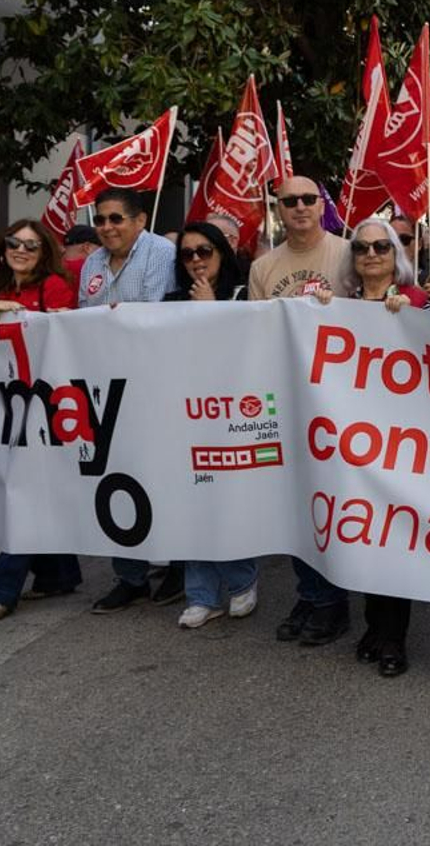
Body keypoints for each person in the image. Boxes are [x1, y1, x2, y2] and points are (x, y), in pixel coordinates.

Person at [315, 218, 430, 675]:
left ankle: (393, 639)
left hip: (401, 443)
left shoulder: (416, 300)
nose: (371, 255)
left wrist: (417, 316)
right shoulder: (340, 305)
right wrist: (318, 311)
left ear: (395, 254)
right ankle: (373, 627)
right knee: (364, 536)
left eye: (381, 247)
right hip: (355, 444)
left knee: (394, 542)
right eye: (361, 248)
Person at [249, 175, 353, 647]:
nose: (300, 207)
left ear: (320, 204)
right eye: (289, 201)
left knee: (330, 502)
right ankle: (310, 593)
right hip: (287, 398)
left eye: (309, 198)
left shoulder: (348, 253)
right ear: (278, 209)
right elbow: (256, 335)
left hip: (339, 402)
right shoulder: (263, 267)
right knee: (296, 504)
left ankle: (332, 599)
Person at [0, 222, 83, 620]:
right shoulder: (4, 288)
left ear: (43, 253)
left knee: (26, 492)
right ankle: (58, 574)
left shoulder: (53, 286)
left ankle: (0, 588)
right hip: (17, 403)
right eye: (14, 243)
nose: (21, 250)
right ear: (3, 249)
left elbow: (62, 333)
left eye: (31, 246)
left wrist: (20, 314)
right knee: (34, 487)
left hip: (50, 403)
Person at [77, 189, 181, 614]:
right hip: (106, 385)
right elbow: (83, 318)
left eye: (116, 218)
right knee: (117, 476)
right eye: (100, 220)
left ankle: (179, 564)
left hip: (155, 384)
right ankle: (130, 577)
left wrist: (116, 320)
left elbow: (154, 314)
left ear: (139, 220)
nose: (106, 227)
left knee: (163, 476)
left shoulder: (160, 253)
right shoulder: (92, 263)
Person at [163, 223, 258, 627]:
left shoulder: (244, 295)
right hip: (184, 414)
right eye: (188, 254)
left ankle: (241, 581)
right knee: (192, 503)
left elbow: (246, 347)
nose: (196, 260)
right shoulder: (170, 301)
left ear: (222, 252)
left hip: (231, 414)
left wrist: (210, 309)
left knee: (227, 501)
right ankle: (200, 595)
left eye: (205, 251)